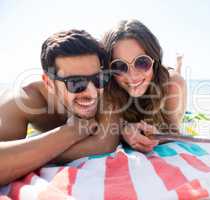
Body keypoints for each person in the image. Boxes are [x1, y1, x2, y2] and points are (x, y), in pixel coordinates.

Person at [0, 29, 120, 186]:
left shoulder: (105, 88)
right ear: (49, 82)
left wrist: (30, 152)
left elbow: (104, 143)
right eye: (76, 83)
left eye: (98, 78)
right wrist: (70, 132)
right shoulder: (22, 100)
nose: (92, 93)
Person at [102, 19, 187, 153]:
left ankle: (179, 64)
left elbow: (174, 132)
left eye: (142, 62)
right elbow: (107, 130)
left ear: (155, 59)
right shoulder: (109, 87)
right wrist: (124, 131)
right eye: (119, 66)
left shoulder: (172, 84)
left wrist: (157, 136)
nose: (132, 76)